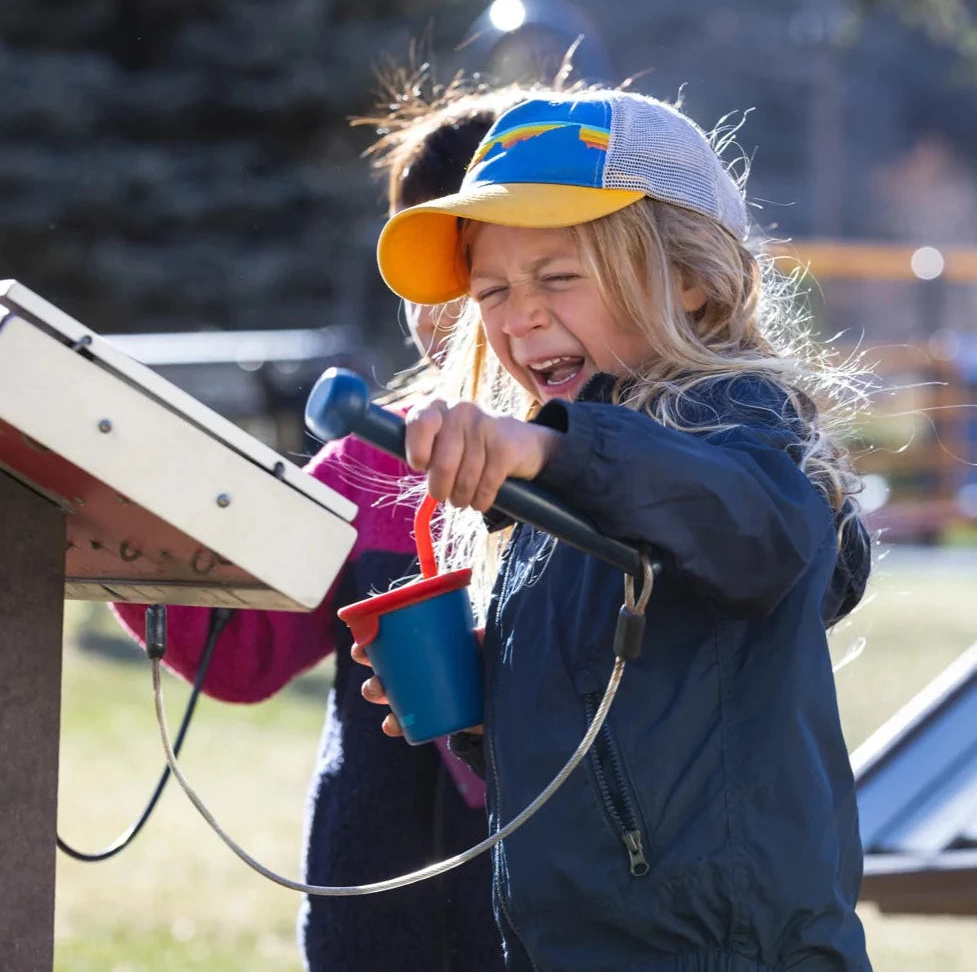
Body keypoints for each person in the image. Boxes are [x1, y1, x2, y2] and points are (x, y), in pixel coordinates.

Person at [361, 88, 874, 971]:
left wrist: (551, 451)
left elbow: (756, 531)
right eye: (492, 290)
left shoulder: (728, 422)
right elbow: (623, 717)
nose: (518, 314)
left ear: (691, 276)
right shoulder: (560, 471)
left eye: (558, 276)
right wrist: (485, 693)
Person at [111, 80, 525, 972]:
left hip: (547, 911)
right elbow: (242, 651)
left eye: (470, 269)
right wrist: (135, 543)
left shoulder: (606, 456)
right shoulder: (362, 464)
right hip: (372, 901)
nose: (437, 306)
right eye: (414, 270)